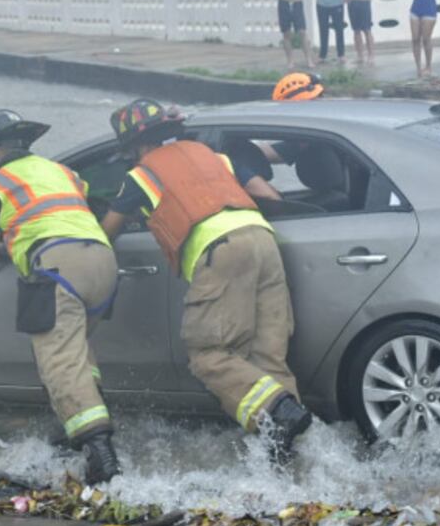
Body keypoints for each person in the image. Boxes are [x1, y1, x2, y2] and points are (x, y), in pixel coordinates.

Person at [99, 99, 314, 463]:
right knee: (268, 358)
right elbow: (262, 194)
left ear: (135, 145)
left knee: (209, 355)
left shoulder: (142, 175)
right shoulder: (210, 154)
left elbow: (106, 233)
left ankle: (279, 412)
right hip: (263, 240)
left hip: (221, 251)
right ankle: (286, 455)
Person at [0, 109, 122, 484]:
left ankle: (101, 456)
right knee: (76, 351)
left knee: (58, 360)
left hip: (57, 266)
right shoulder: (64, 172)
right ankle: (70, 432)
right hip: (103, 261)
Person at [408, 0, 438, 78]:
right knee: (415, 39)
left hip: (428, 8)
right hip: (416, 8)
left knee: (426, 38)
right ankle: (418, 67)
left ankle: (428, 65)